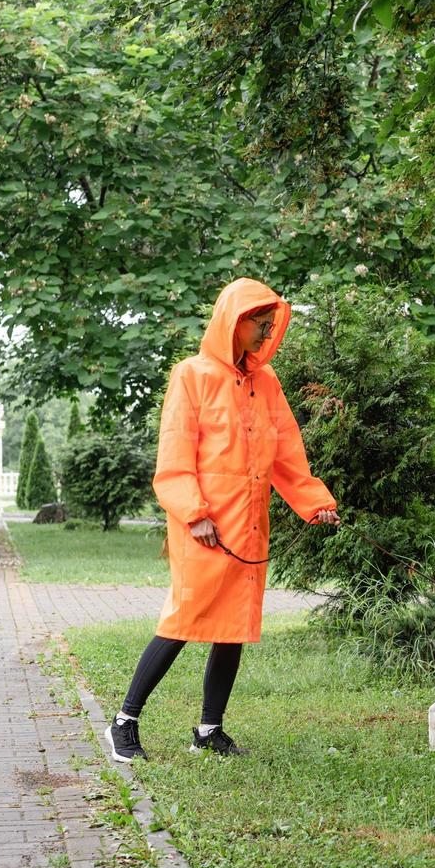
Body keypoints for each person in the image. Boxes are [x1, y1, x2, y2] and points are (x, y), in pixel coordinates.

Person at [107, 278, 339, 760]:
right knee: (182, 620)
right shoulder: (191, 375)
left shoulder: (266, 382)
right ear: (234, 321)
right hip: (204, 526)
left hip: (248, 522)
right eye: (260, 323)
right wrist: (193, 514)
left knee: (233, 625)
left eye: (270, 325)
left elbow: (287, 454)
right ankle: (123, 721)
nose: (266, 332)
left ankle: (208, 731)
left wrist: (314, 501)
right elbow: (174, 455)